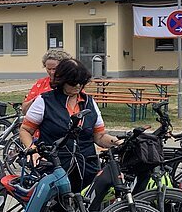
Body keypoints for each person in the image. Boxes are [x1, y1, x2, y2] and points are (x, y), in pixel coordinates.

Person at [19, 57, 118, 194]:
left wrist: (116, 142)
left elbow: (100, 136)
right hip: (55, 168)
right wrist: (33, 150)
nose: (78, 86)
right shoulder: (45, 101)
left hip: (87, 167)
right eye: (73, 83)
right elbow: (25, 130)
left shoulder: (89, 102)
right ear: (62, 81)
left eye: (81, 83)